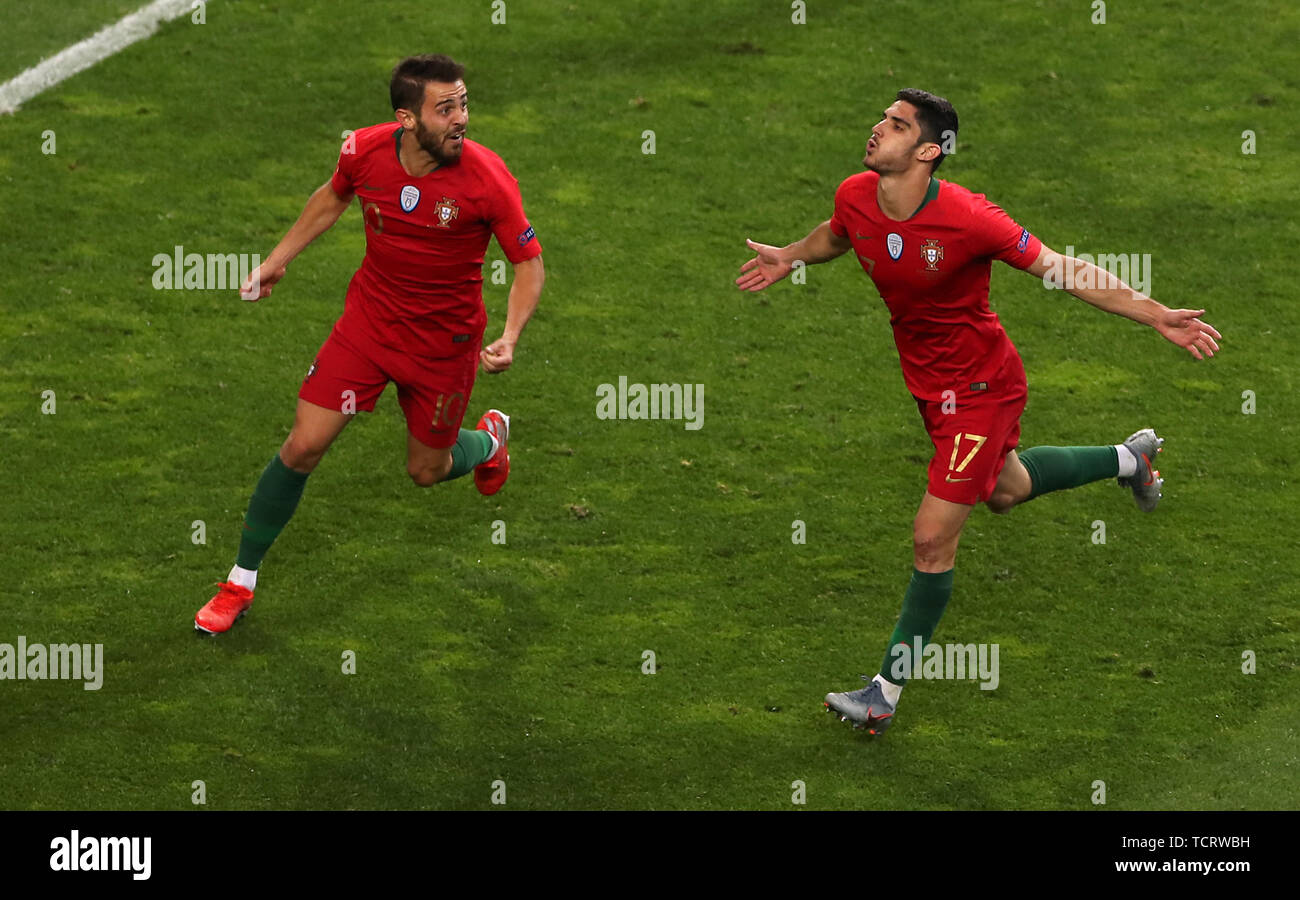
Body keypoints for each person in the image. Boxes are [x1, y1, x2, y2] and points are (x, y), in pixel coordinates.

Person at [736, 88, 1220, 733]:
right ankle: (1129, 459)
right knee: (1004, 490)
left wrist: (1157, 314)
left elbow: (1063, 269)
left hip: (983, 390)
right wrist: (791, 256)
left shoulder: (969, 218)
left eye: (897, 124)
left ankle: (883, 692)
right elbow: (838, 234)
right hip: (930, 390)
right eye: (884, 117)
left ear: (928, 152)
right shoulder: (857, 193)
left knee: (931, 539)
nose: (878, 128)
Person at [195, 53, 544, 634]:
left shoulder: (487, 178)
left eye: (463, 103)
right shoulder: (363, 150)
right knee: (303, 446)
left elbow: (527, 263)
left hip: (443, 346)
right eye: (446, 108)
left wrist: (510, 336)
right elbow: (334, 196)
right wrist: (277, 262)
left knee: (426, 471)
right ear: (408, 119)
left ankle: (487, 442)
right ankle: (239, 581)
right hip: (369, 327)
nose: (461, 118)